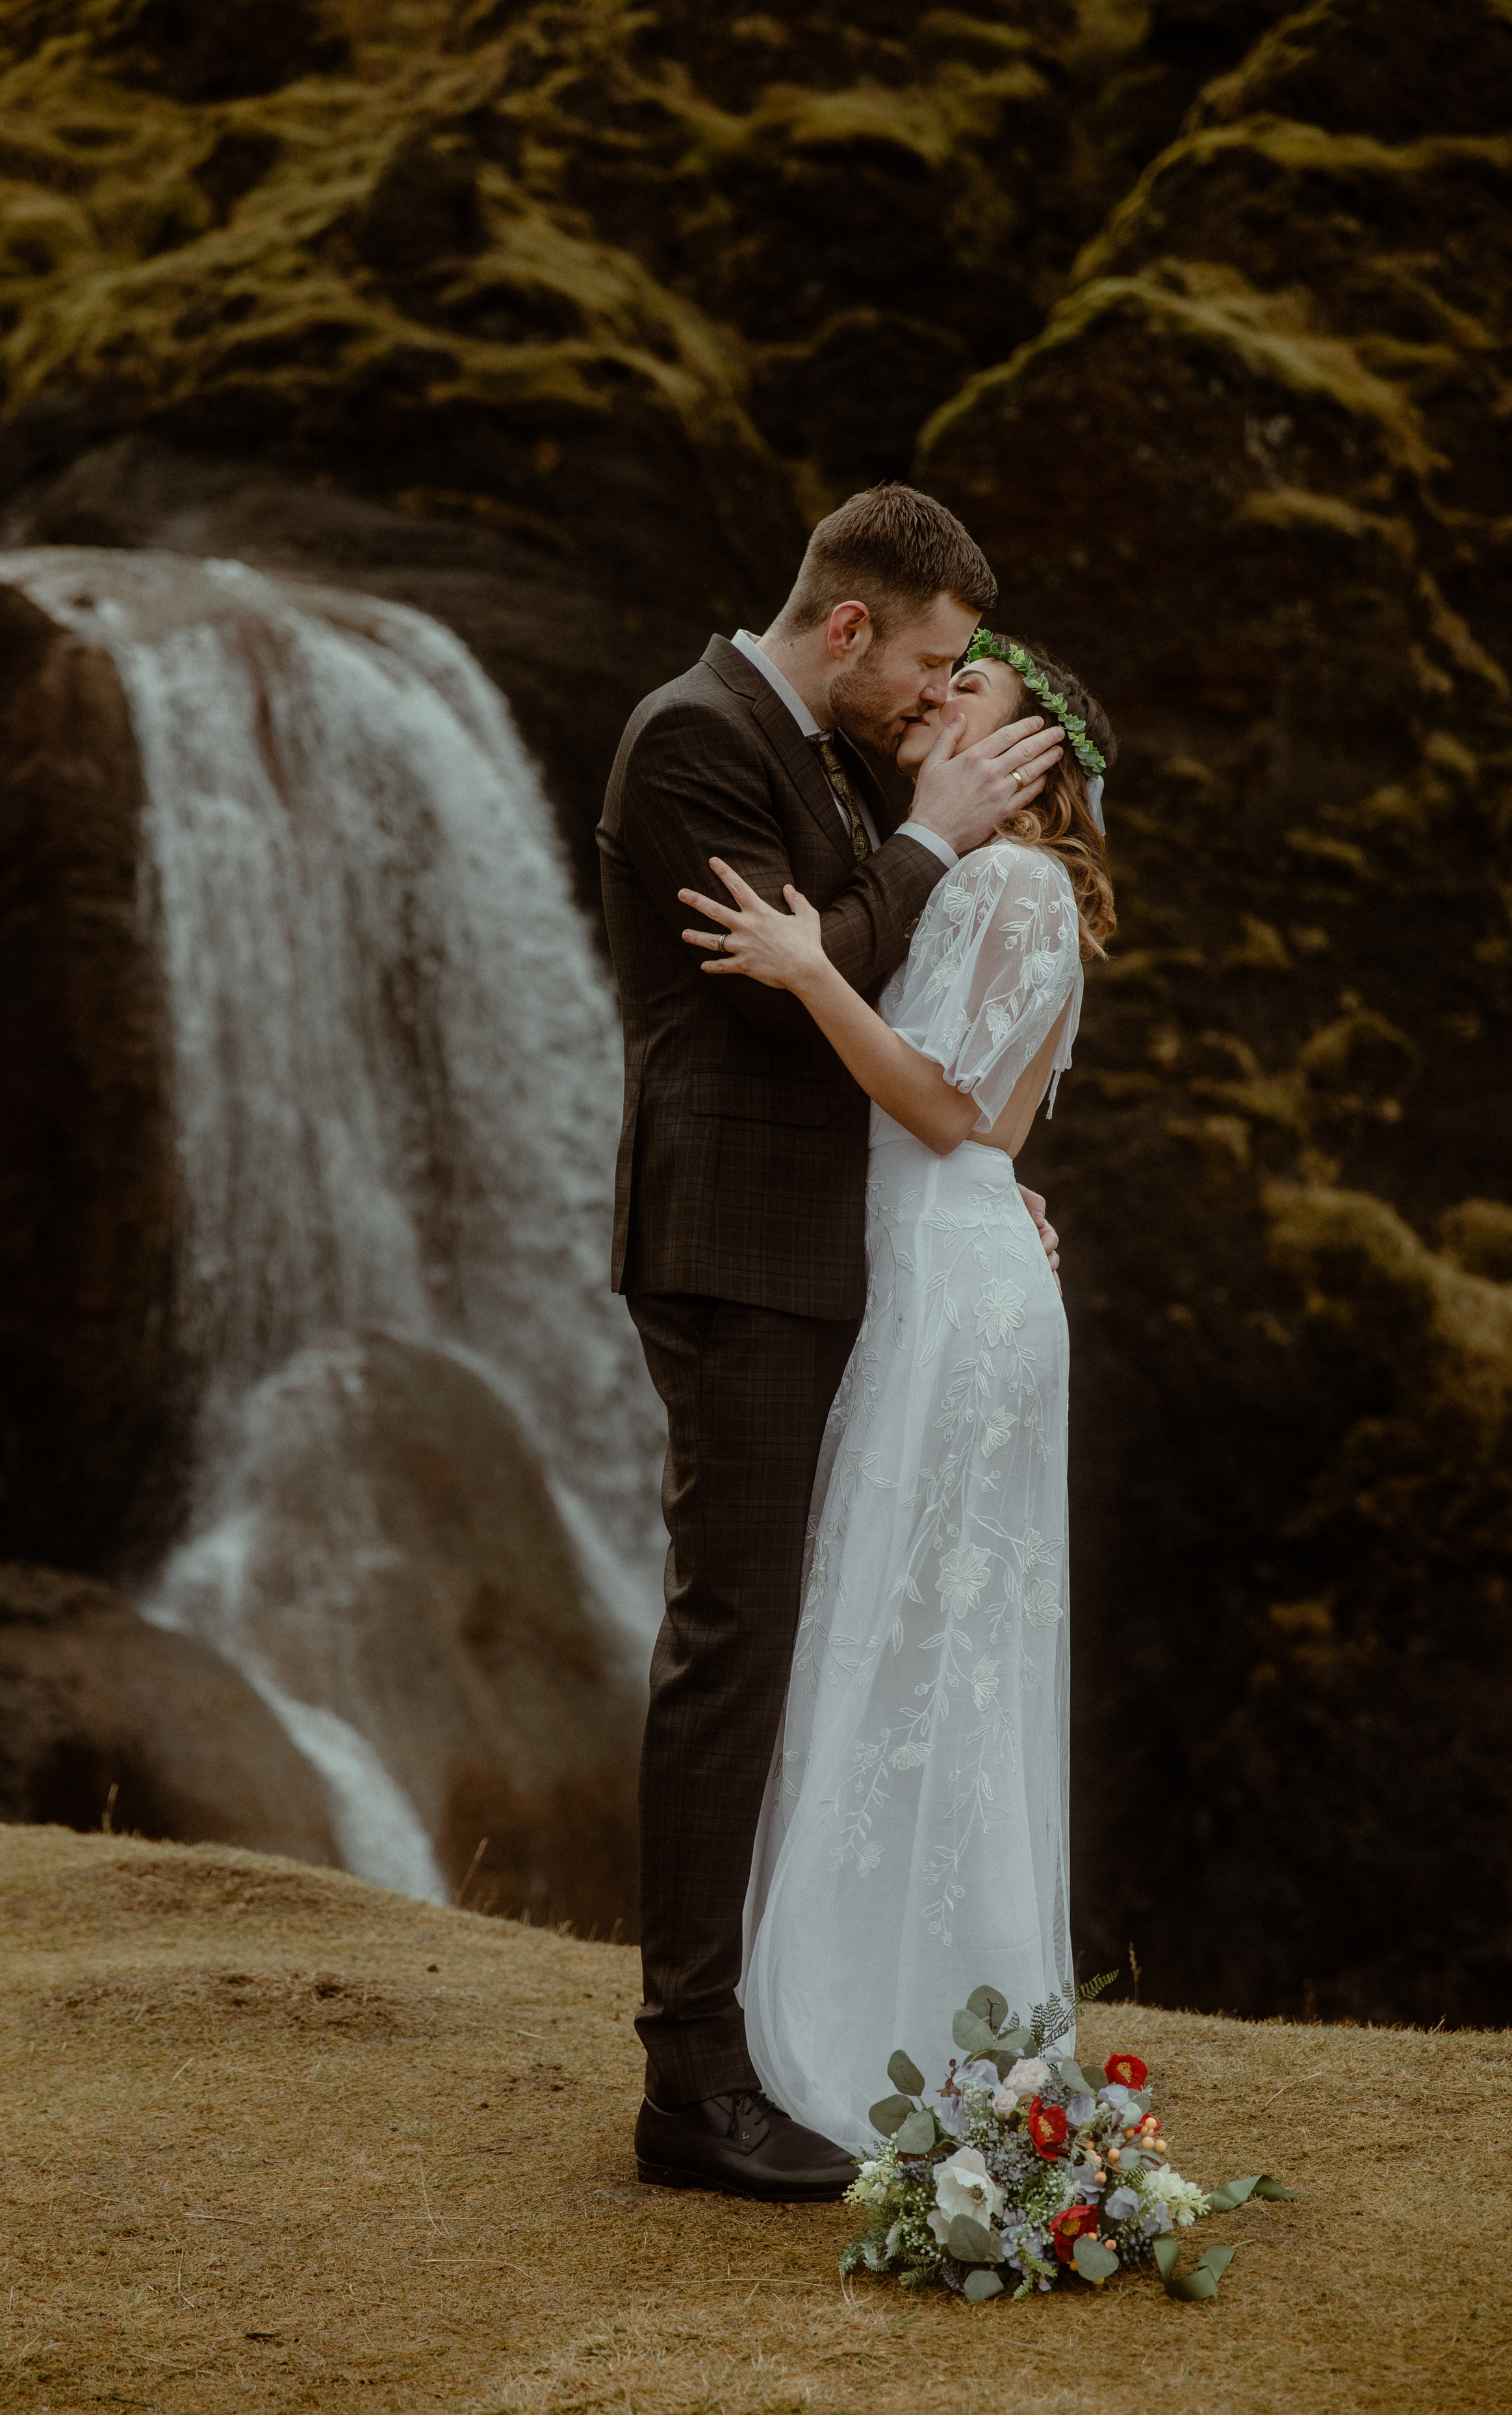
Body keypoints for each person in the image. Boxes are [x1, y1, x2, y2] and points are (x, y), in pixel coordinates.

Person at [597, 485, 1066, 2200]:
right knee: (736, 1640)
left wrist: (993, 1179)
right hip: (742, 1253)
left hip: (850, 1252)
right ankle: (692, 2085)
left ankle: (775, 2032)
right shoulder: (690, 746)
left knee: (803, 1643)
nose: (938, 700)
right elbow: (799, 980)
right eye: (932, 659)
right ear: (854, 624)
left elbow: (894, 985)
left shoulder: (823, 753)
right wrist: (932, 835)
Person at [677, 630, 1116, 2154]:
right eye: (936, 681)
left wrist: (802, 970)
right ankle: (928, 2016)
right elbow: (984, 1127)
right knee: (923, 1640)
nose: (937, 698)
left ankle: (925, 2029)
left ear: (1032, 753)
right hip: (939, 1273)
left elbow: (943, 1108)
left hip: (949, 1288)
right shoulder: (963, 879)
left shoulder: (1006, 881)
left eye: (972, 690)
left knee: (935, 1647)